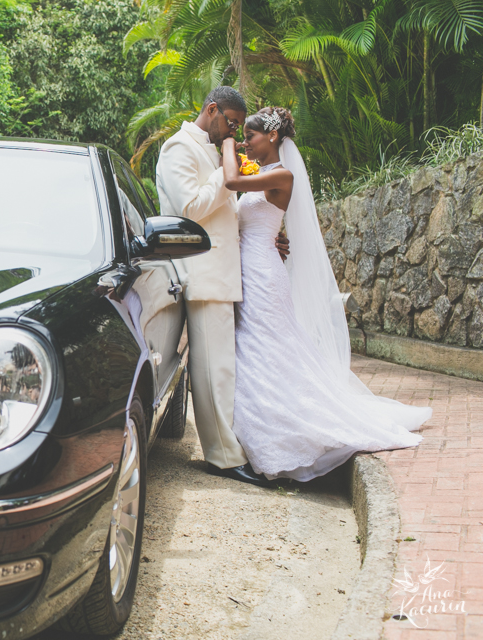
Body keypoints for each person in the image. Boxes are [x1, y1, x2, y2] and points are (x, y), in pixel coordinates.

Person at [220, 107, 429, 481]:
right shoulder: (261, 174)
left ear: (272, 136)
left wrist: (225, 142)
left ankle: (284, 430)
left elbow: (232, 182)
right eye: (243, 137)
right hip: (249, 268)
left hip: (264, 274)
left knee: (269, 345)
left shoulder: (281, 175)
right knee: (254, 347)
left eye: (249, 136)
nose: (245, 143)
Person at [156, 86, 284, 487]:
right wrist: (224, 171)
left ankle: (225, 449)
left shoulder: (212, 149)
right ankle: (224, 458)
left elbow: (224, 216)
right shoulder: (178, 148)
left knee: (221, 368)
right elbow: (190, 209)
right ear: (212, 110)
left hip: (223, 273)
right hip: (203, 272)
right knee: (215, 369)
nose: (233, 132)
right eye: (231, 123)